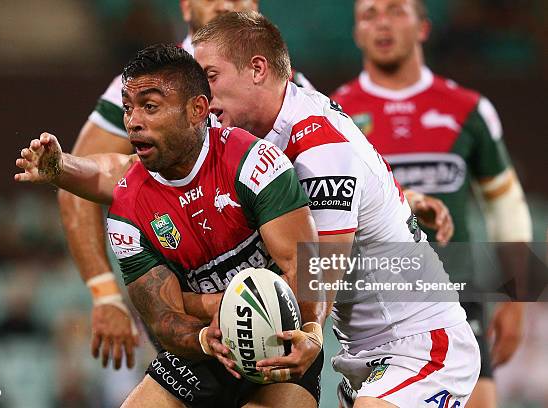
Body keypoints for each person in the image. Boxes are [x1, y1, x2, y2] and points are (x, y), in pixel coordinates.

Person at [184, 11, 480, 407]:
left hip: (421, 344)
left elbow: (318, 270)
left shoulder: (318, 146)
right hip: (363, 354)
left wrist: (193, 305)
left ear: (257, 69)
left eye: (211, 76)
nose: (201, 97)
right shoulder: (277, 126)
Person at [16, 44, 325, 408]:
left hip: (278, 341)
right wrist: (205, 336)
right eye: (128, 108)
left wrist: (312, 333)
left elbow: (307, 265)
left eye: (150, 107)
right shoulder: (128, 209)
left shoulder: (254, 163)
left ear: (197, 110)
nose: (133, 122)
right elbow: (163, 318)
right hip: (204, 348)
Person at [57, 0, 315, 371]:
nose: (226, 4)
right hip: (189, 306)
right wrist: (104, 293)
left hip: (280, 287)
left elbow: (329, 177)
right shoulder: (143, 85)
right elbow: (83, 179)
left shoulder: (283, 81)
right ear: (186, 5)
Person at [330, 1, 532, 406]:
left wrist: (519, 295)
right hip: (375, 302)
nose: (382, 23)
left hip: (455, 289)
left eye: (396, 11)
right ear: (356, 34)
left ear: (423, 27)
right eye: (369, 15)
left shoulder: (469, 110)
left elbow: (504, 205)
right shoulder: (334, 115)